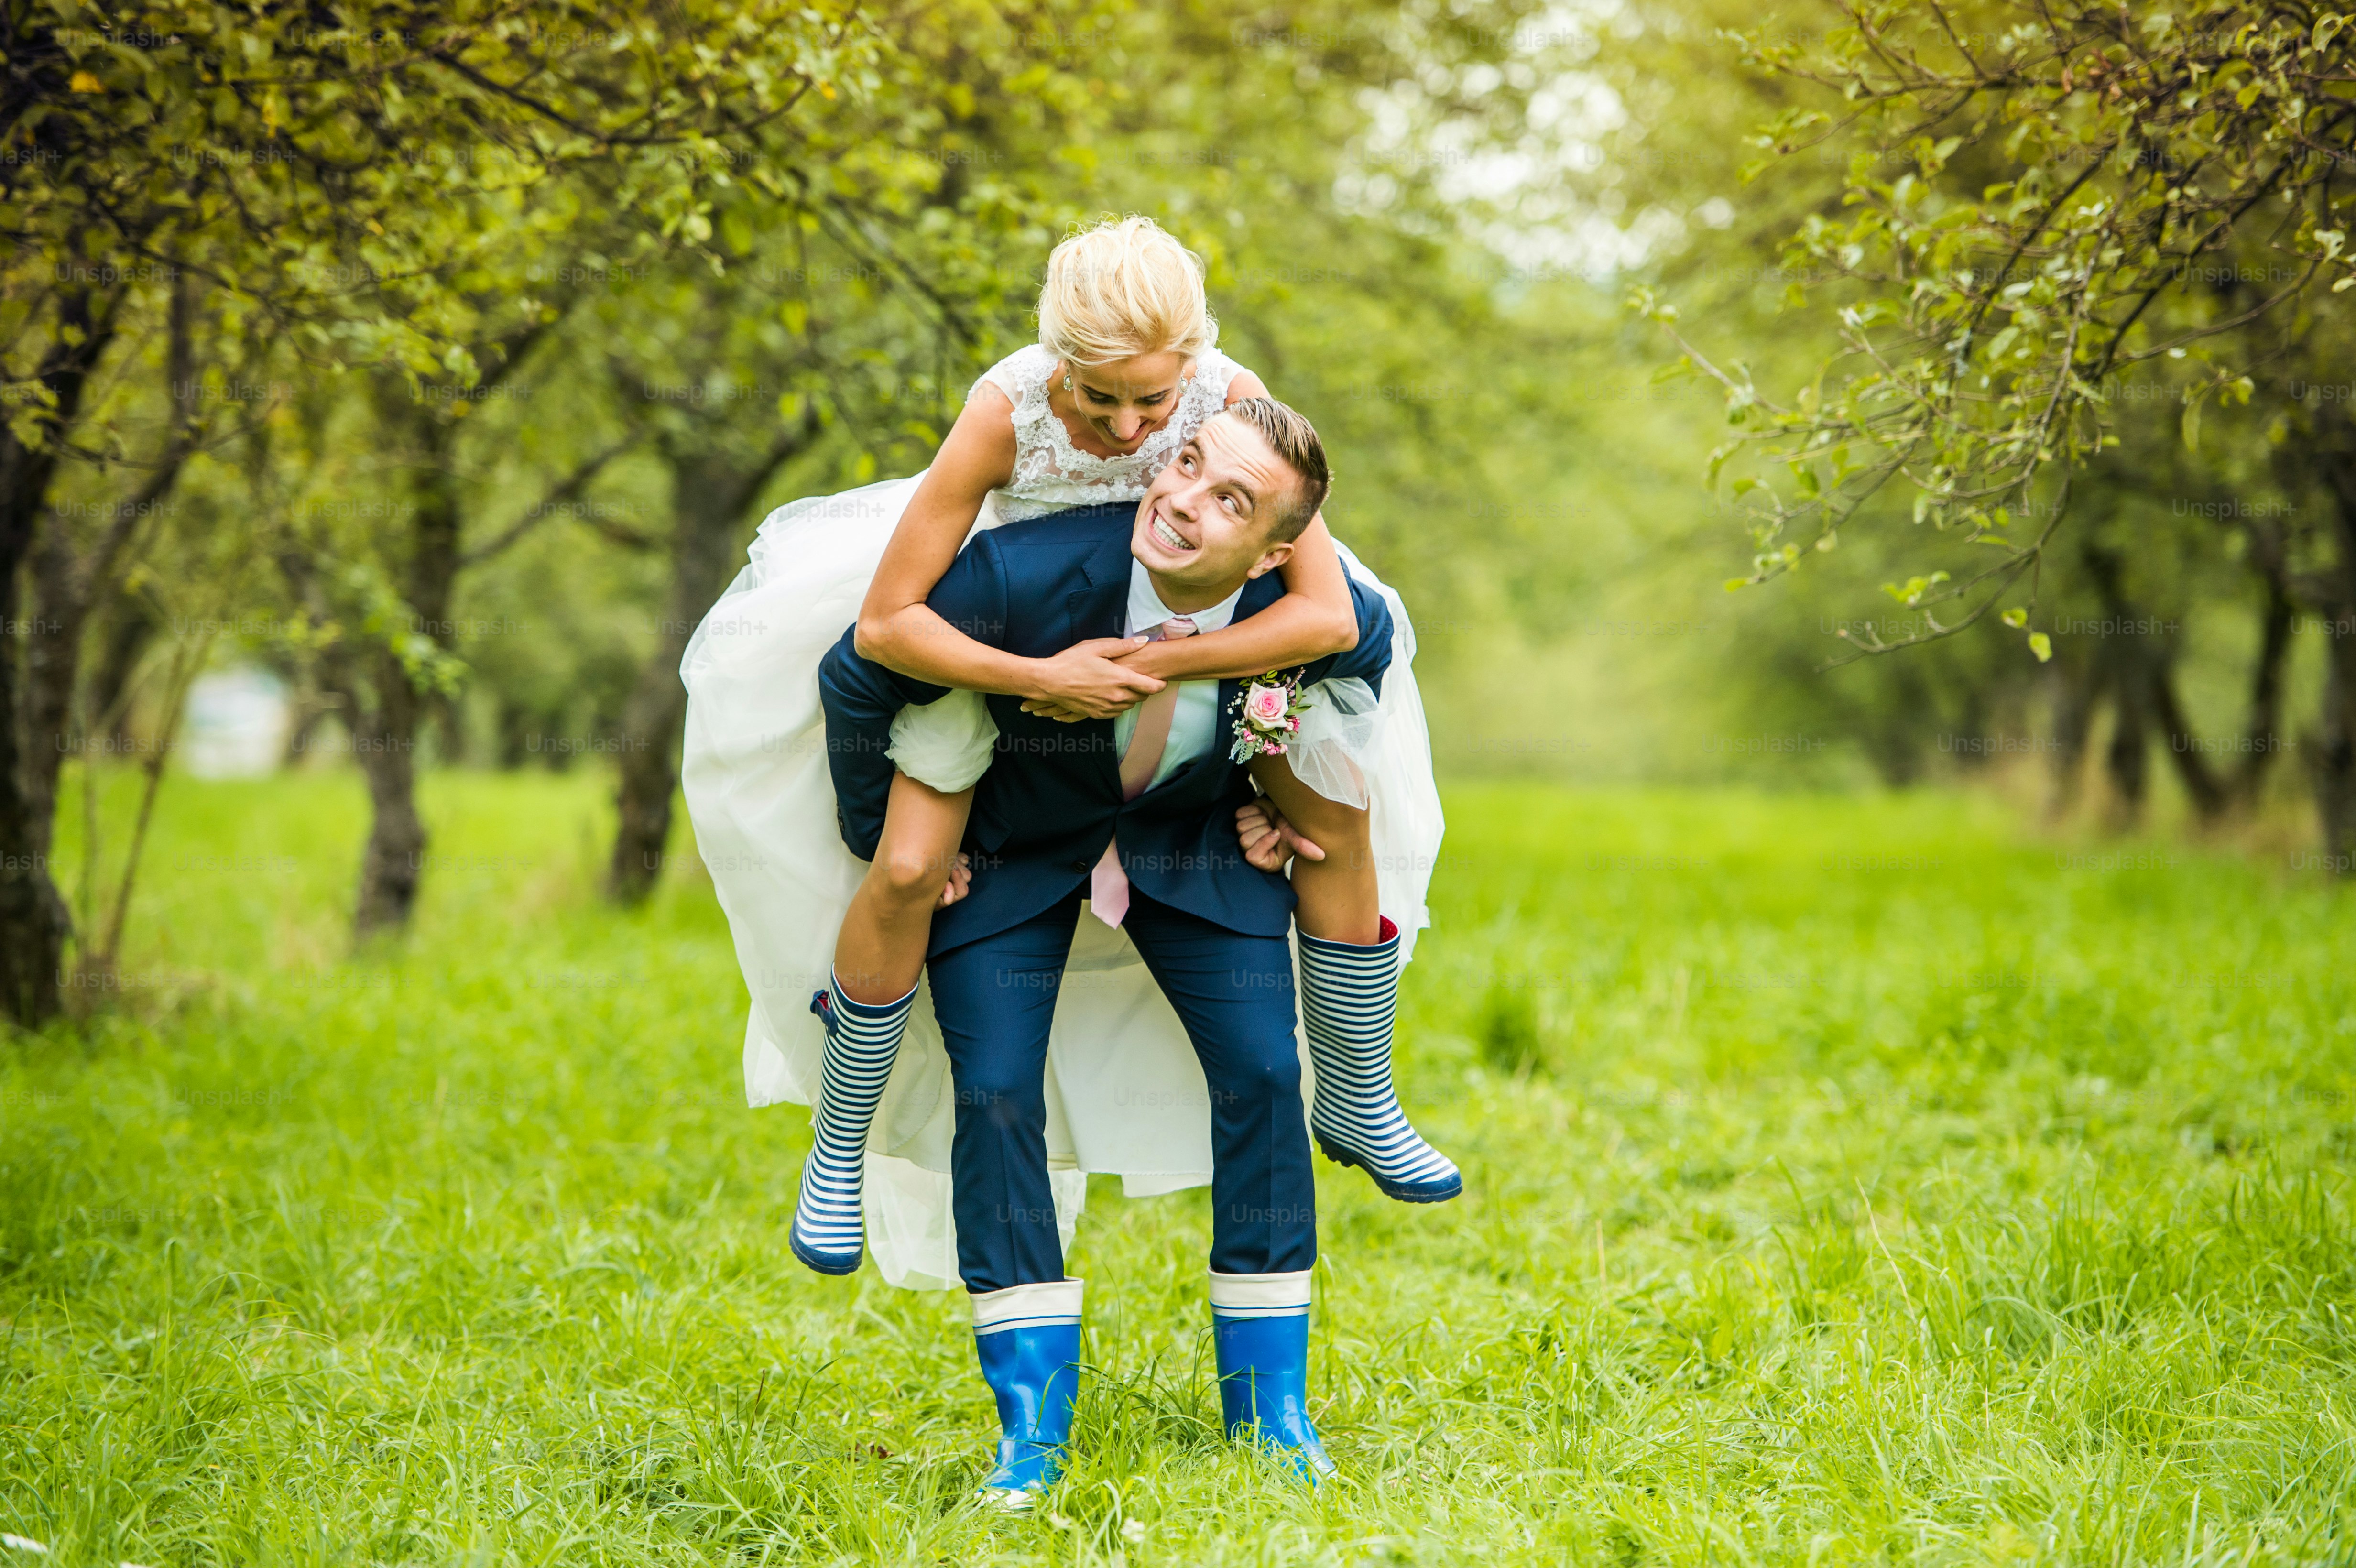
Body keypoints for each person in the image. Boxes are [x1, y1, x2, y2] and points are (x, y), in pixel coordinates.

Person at [680, 217, 1452, 1291]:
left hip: (1187, 616)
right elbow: (889, 624)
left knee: (1333, 794)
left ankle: (1361, 1092)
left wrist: (1170, 660)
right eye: (1100, 399)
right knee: (907, 870)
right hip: (999, 633)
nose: (1132, 424)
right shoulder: (1004, 411)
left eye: (1154, 399)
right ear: (1056, 359)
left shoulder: (1229, 397)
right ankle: (838, 1144)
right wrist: (1041, 678)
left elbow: (1321, 613)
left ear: (1193, 359)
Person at [819, 400, 1371, 1501]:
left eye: (1231, 502)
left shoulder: (1300, 609)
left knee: (1268, 1069)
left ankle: (1272, 1414)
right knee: (996, 1091)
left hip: (1190, 847)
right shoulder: (1015, 573)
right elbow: (857, 672)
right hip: (1016, 849)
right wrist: (883, 834)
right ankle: (1029, 1431)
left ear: (1273, 553)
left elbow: (1352, 676)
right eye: (1187, 470)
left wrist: (1272, 795)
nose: (1182, 505)